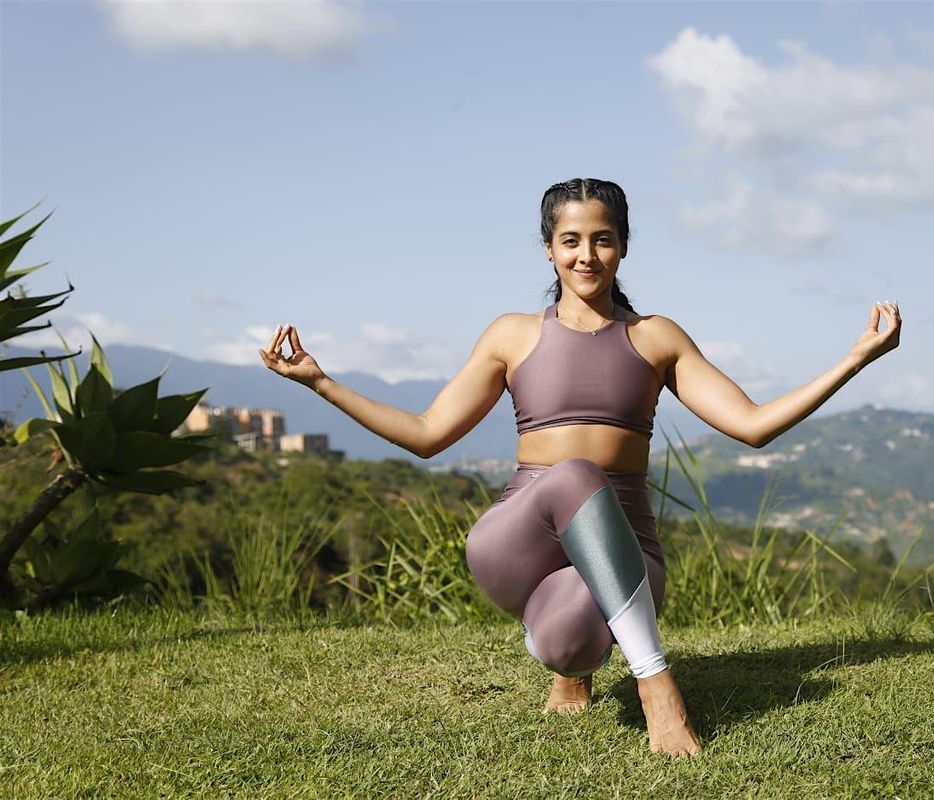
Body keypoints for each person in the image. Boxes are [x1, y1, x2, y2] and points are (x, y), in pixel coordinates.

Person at [258, 177, 901, 758]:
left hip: (628, 550)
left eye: (603, 240)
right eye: (570, 240)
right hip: (521, 539)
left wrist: (856, 359)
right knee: (572, 474)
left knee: (570, 641)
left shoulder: (656, 338)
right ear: (547, 248)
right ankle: (656, 686)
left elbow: (754, 426)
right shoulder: (512, 335)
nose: (586, 255)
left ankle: (571, 668)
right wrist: (321, 383)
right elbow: (428, 436)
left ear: (623, 248)